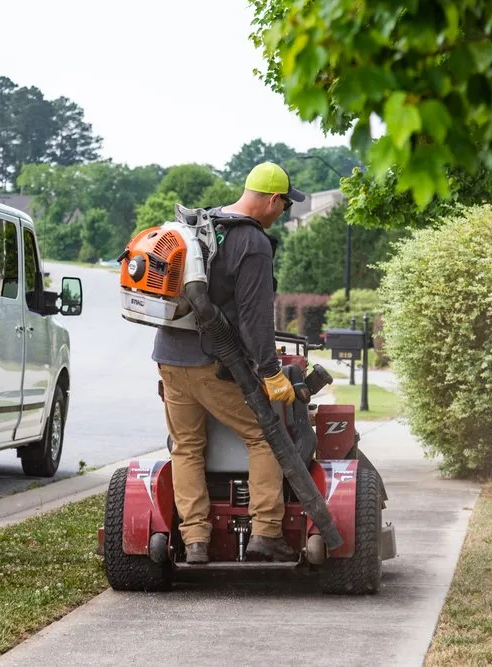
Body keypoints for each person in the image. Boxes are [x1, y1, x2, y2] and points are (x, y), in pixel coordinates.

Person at [153, 162, 307, 564]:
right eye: (285, 205)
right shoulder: (252, 243)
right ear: (272, 200)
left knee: (186, 446)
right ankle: (266, 533)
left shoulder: (204, 226)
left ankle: (197, 541)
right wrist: (271, 373)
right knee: (265, 436)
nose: (283, 213)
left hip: (169, 357)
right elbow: (257, 320)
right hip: (213, 364)